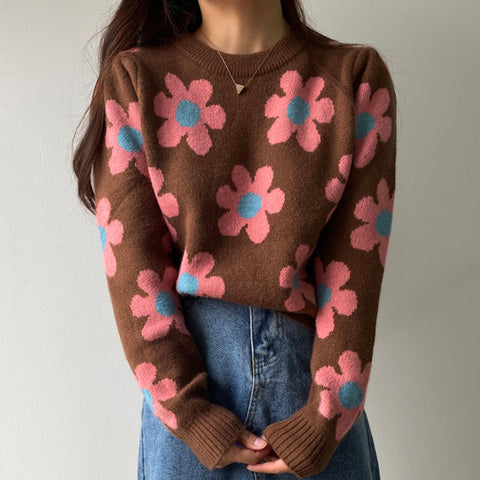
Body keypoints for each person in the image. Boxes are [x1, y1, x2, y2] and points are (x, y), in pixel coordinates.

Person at [72, 0, 397, 478]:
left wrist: (325, 417)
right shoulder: (135, 79)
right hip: (188, 410)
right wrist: (188, 411)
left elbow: (356, 271)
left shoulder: (354, 78)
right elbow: (135, 272)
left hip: (313, 404)